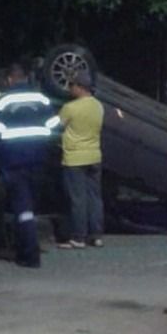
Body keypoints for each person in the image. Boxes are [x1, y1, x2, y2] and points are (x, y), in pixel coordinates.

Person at [0, 63, 59, 267]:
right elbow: (54, 127)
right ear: (27, 78)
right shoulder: (41, 100)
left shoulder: (3, 102)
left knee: (23, 208)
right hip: (39, 160)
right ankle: (25, 244)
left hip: (13, 161)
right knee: (30, 206)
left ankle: (29, 253)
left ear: (9, 80)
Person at [57, 71, 105, 249]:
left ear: (79, 87)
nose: (70, 89)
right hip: (94, 155)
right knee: (95, 197)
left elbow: (57, 125)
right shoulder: (98, 106)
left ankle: (79, 237)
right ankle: (97, 235)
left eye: (72, 85)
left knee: (77, 199)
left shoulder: (70, 108)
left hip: (74, 157)